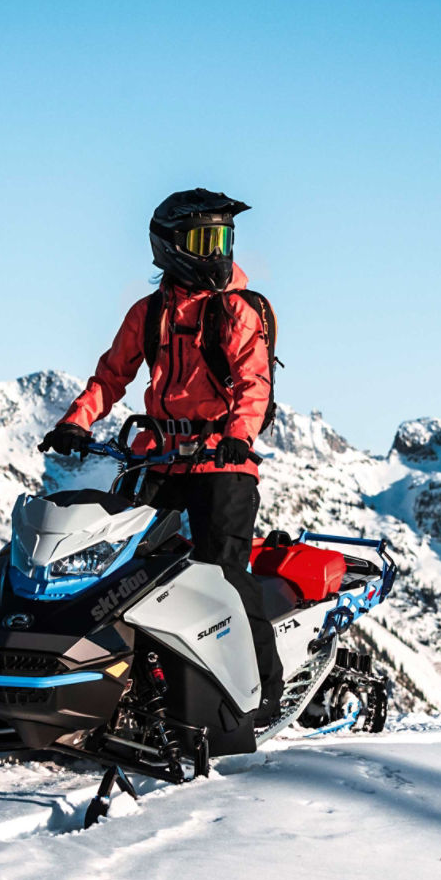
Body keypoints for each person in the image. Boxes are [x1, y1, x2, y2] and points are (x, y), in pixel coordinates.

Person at [37, 188, 285, 723]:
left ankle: (264, 693)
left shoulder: (237, 311)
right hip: (159, 459)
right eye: (204, 238)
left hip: (223, 463)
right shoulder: (148, 314)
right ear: (170, 245)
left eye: (223, 237)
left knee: (223, 574)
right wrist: (75, 422)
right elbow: (111, 376)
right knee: (123, 574)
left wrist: (237, 434)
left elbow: (253, 383)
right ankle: (139, 687)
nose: (216, 250)